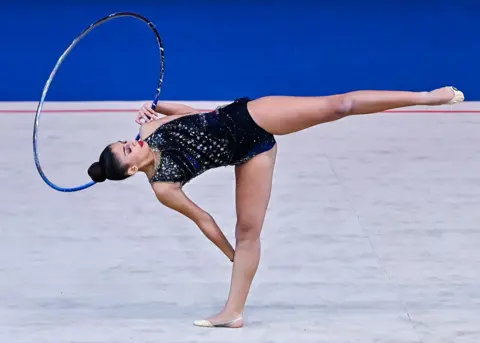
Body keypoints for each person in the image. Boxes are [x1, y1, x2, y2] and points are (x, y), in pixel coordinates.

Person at [87, 86, 464, 328]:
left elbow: (196, 117)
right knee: (248, 233)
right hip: (251, 154)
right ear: (132, 169)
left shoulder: (151, 130)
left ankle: (427, 97)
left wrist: (157, 104)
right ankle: (232, 312)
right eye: (125, 151)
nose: (130, 142)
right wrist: (232, 254)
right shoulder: (163, 186)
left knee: (340, 105)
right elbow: (203, 218)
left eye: (124, 141)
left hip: (250, 115)